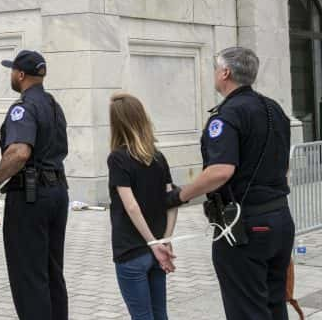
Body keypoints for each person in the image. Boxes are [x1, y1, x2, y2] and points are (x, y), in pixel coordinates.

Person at [164, 47, 294, 320]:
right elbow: (284, 164)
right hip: (280, 219)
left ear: (225, 73)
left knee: (247, 309)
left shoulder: (228, 115)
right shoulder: (274, 109)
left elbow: (220, 171)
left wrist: (179, 196)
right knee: (274, 304)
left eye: (215, 68)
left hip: (245, 226)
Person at [0, 50, 69, 320]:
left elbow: (19, 152)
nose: (10, 74)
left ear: (20, 74)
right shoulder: (53, 104)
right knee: (52, 271)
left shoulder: (23, 107)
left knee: (29, 276)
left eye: (12, 70)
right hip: (56, 193)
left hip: (31, 197)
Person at [107, 93, 177, 320]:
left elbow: (131, 206)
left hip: (132, 250)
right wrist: (164, 240)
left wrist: (153, 242)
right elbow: (172, 201)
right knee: (160, 315)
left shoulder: (118, 158)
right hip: (157, 251)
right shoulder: (159, 157)